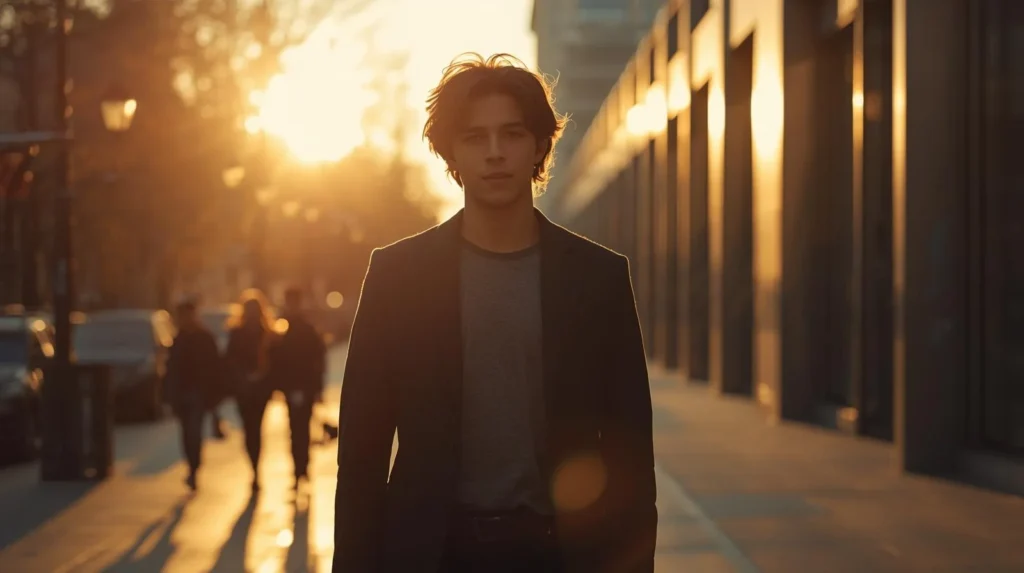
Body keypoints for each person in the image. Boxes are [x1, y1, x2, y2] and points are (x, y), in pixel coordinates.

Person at [332, 53, 657, 573]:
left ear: (538, 146)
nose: (494, 153)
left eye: (510, 134)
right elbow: (361, 454)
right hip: (431, 552)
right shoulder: (397, 275)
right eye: (474, 138)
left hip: (559, 550)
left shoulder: (598, 278)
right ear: (451, 156)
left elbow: (631, 455)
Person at [269, 286, 327, 487]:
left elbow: (318, 359)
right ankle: (299, 468)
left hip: (305, 385)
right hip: (292, 386)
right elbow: (275, 360)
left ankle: (302, 467)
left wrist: (318, 387)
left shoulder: (303, 328)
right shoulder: (282, 328)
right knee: (296, 428)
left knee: (301, 428)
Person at [166, 299, 222, 491]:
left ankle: (194, 468)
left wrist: (213, 395)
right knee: (186, 433)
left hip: (197, 392)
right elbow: (171, 369)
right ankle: (191, 466)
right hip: (182, 393)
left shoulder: (203, 338)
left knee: (194, 432)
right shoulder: (179, 338)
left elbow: (214, 367)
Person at [225, 289, 276, 491]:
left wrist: (262, 377)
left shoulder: (268, 334)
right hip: (243, 389)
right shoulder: (237, 334)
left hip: (260, 390)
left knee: (255, 428)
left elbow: (274, 362)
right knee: (250, 430)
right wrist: (242, 377)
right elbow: (230, 360)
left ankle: (255, 469)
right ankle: (254, 467)